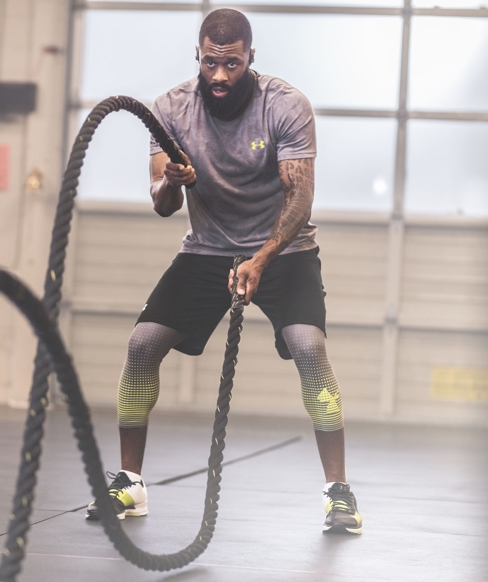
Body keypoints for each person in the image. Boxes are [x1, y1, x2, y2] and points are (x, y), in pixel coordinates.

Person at [85, 8, 362, 535]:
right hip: (207, 249)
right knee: (142, 344)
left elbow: (299, 198)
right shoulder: (169, 109)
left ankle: (339, 492)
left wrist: (261, 258)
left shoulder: (285, 106)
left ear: (250, 58)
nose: (219, 76)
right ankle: (129, 483)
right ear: (198, 54)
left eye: (231, 64)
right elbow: (162, 204)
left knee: (309, 348)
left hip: (284, 250)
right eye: (211, 62)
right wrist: (172, 180)